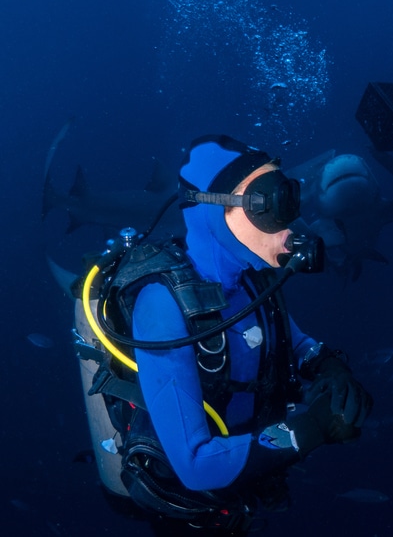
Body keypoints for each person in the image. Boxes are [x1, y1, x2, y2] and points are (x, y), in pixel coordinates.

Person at [73, 135, 372, 535]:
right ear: (216, 210)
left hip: (247, 486)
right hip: (191, 510)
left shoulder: (253, 282)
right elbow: (197, 466)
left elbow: (292, 341)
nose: (289, 223)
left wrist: (328, 364)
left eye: (292, 198)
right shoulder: (162, 307)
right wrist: (312, 428)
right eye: (273, 204)